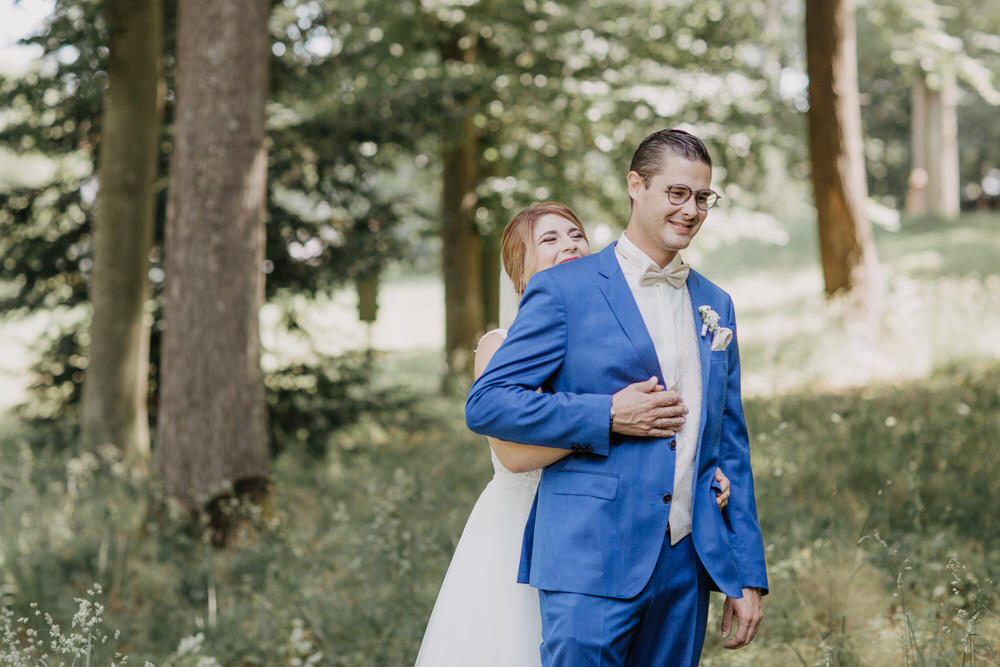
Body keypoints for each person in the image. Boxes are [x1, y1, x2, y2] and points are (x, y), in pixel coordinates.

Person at [466, 129, 768, 666]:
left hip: (685, 562)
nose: (691, 210)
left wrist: (746, 571)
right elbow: (489, 403)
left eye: (703, 198)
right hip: (590, 555)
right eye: (677, 193)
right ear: (636, 185)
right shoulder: (565, 289)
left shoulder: (715, 303)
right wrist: (607, 413)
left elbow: (730, 444)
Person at [416, 202, 732, 666]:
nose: (569, 245)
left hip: (624, 525)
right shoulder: (498, 346)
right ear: (519, 266)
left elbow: (668, 416)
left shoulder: (609, 330)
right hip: (532, 524)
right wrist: (610, 417)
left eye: (575, 235)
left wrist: (691, 474)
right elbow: (514, 457)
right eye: (549, 239)